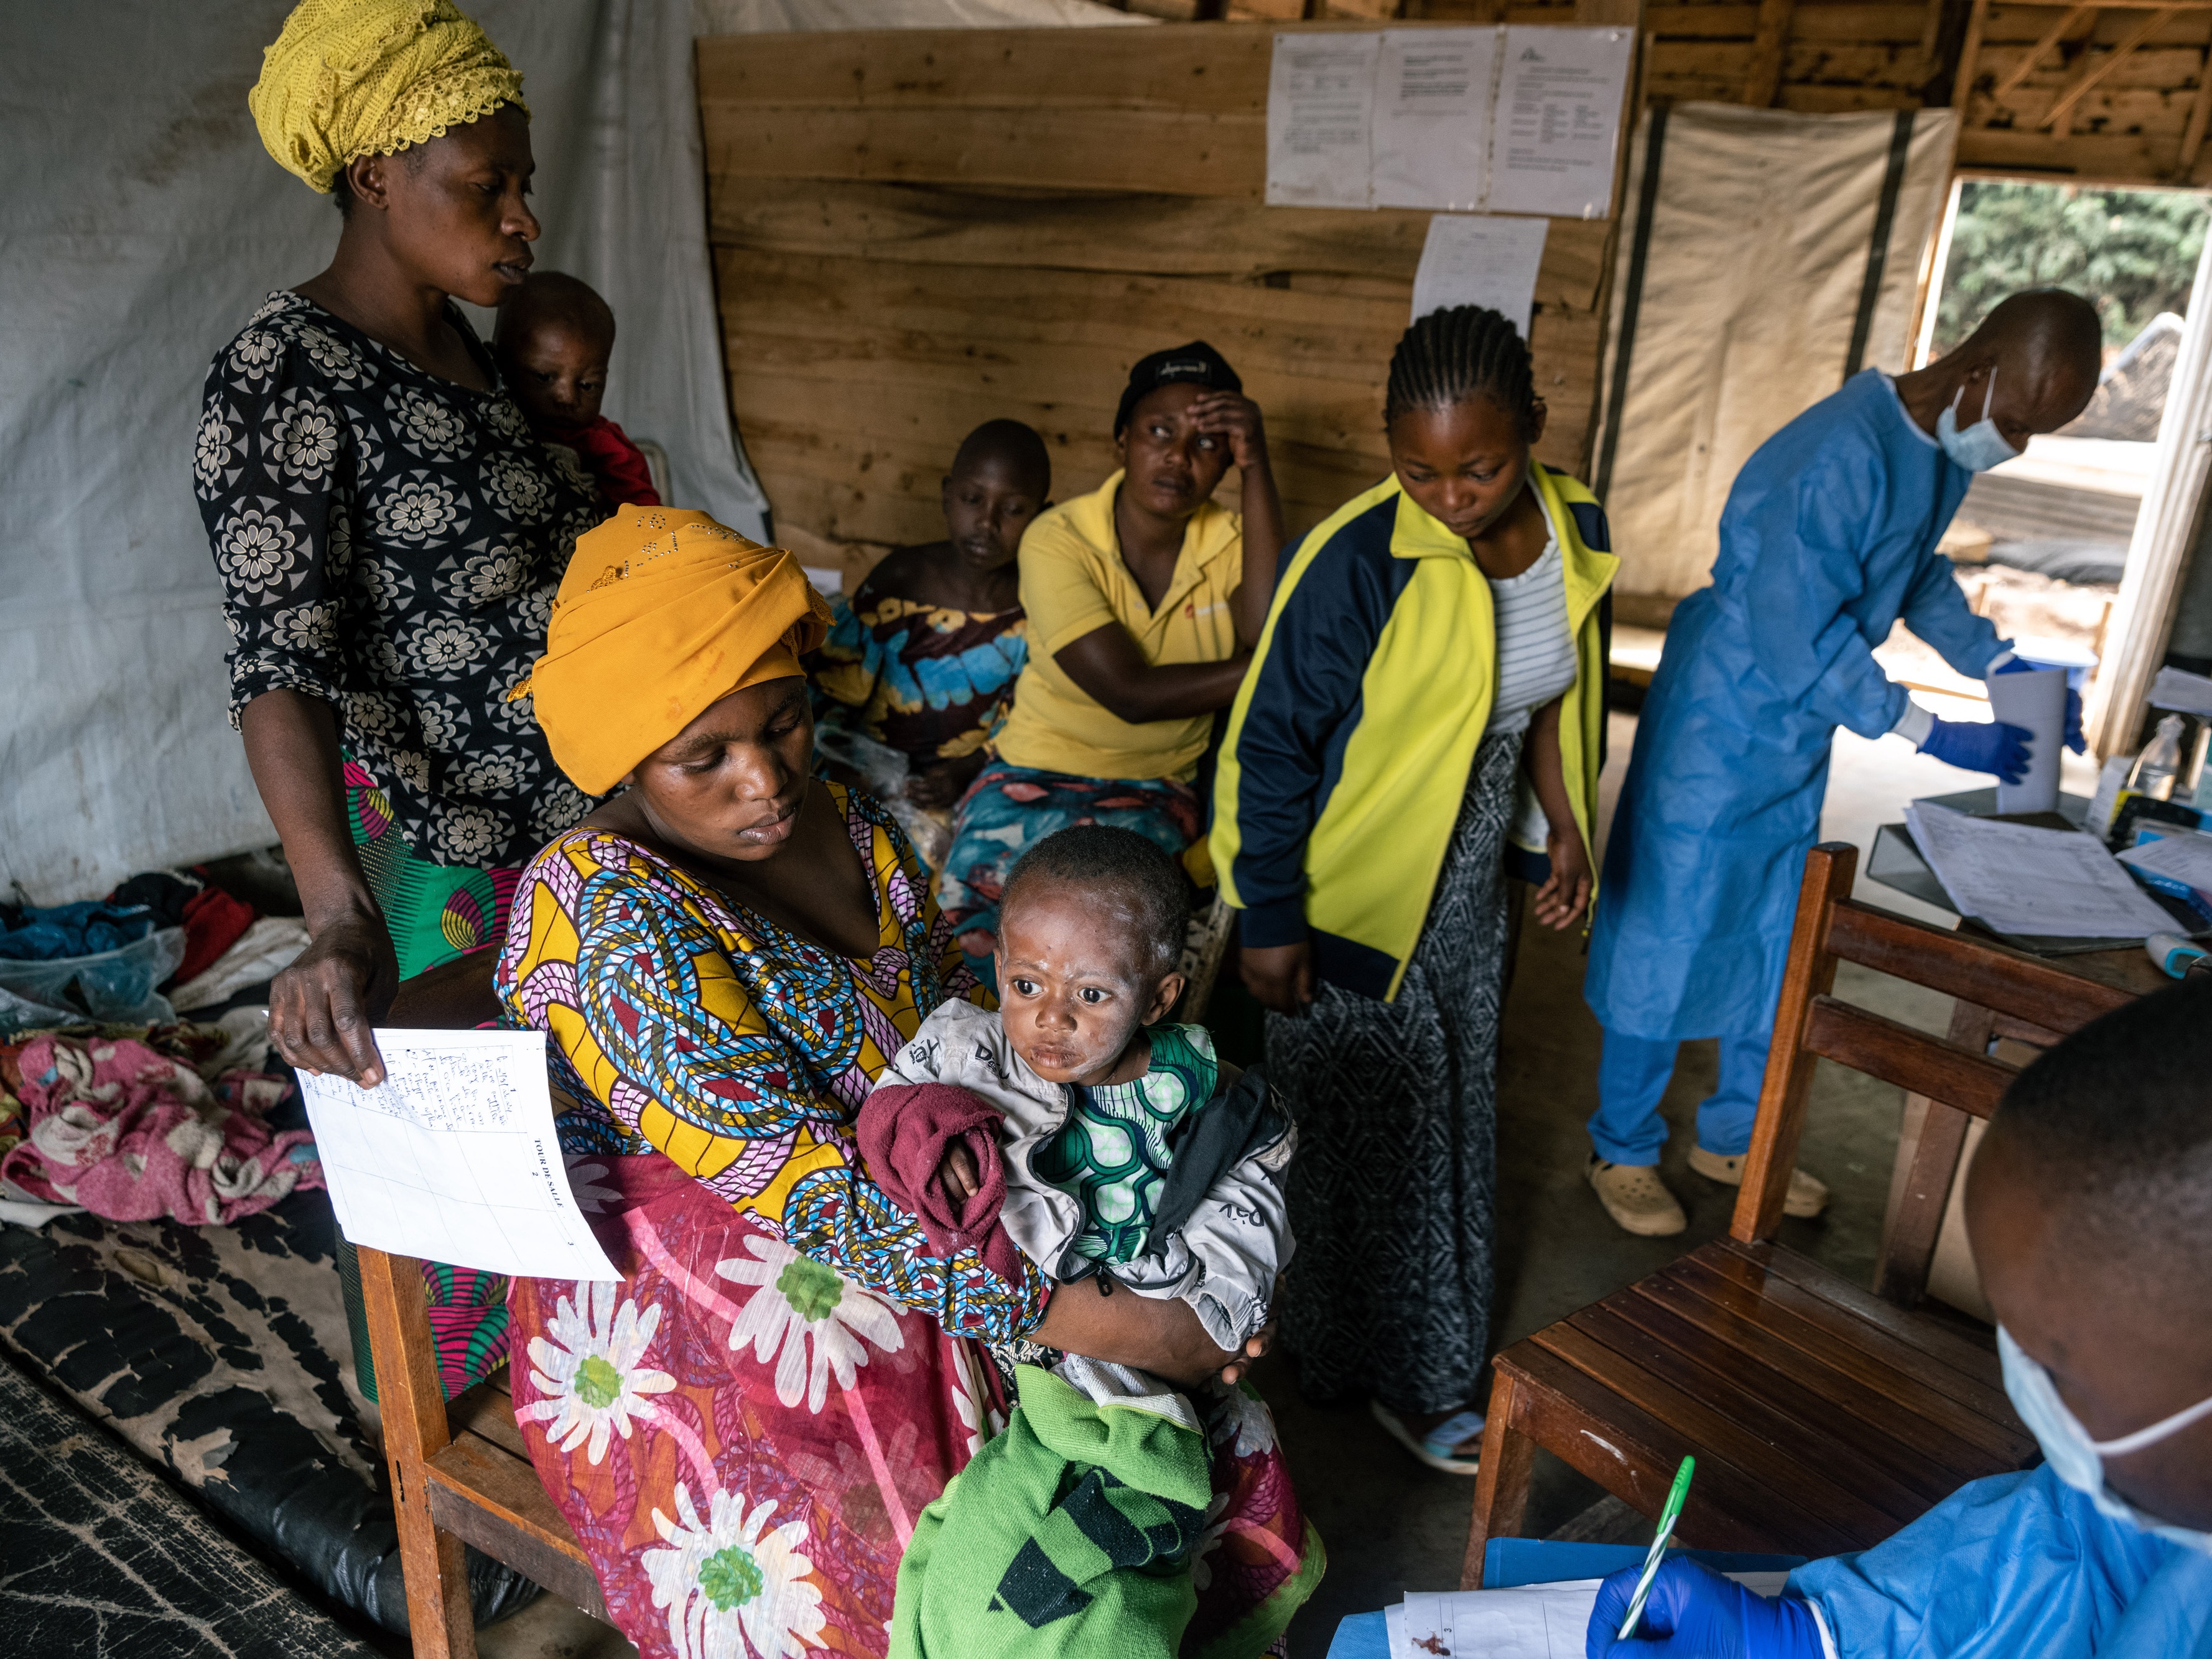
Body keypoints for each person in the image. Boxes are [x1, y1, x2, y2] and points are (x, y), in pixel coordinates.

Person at [495, 506, 1305, 1657]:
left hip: (930, 1194)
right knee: (958, 1533)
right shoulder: (600, 907)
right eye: (703, 759)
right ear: (629, 764)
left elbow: (958, 1033)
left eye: (781, 724)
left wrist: (1158, 1251)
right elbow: (811, 1195)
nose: (765, 780)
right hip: (719, 1290)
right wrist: (1117, 1321)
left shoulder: (850, 817)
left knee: (1176, 1310)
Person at [1579, 290, 2102, 1239]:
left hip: (1792, 727)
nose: (2016, 446)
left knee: (1775, 925)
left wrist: (1996, 661)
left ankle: (1733, 1133)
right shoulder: (1837, 454)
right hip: (1726, 712)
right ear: (1977, 372)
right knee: (1672, 923)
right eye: (2019, 423)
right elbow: (1796, 634)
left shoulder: (1940, 449)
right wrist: (1932, 733)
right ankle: (1621, 1142)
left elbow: (1914, 575)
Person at [1210, 305, 1617, 1474]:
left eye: (1479, 466)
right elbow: (1271, 747)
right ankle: (1415, 1380)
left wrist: (1564, 830)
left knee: (1446, 1121)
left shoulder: (1571, 520)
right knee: (1362, 1141)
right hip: (1351, 894)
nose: (1448, 494)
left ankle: (1378, 1361)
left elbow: (1542, 694)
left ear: (1533, 431)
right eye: (1417, 467)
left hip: (1471, 878)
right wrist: (1272, 917)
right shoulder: (1358, 559)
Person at [203, 0, 602, 1092]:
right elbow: (279, 661)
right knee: (483, 1185)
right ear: (376, 177)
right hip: (447, 864)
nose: (523, 218)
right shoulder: (286, 374)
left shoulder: (472, 350)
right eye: (488, 187)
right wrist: (337, 915)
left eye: (525, 185)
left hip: (585, 826)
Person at [1584, 975, 2212, 1657]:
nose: (2024, 1390)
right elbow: (2081, 1549)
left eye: (2059, 1372)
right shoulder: (2171, 1490)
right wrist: (1826, 1634)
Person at [864, 825, 1293, 1360]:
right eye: (1026, 985)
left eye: (1091, 994)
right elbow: (890, 1113)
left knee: (1163, 1436)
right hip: (1023, 1318)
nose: (1052, 1015)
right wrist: (934, 1137)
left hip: (1141, 1307)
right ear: (999, 969)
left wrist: (1245, 1283)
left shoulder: (1187, 1071)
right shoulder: (964, 1049)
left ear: (1158, 1001)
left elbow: (1252, 1132)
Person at [936, 342, 1285, 980]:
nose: (1177, 458)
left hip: (1151, 792)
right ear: (1121, 438)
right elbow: (1129, 692)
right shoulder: (1059, 539)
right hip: (1030, 771)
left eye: (1208, 445)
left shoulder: (1234, 543)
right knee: (973, 953)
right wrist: (1279, 667)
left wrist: (1257, 465)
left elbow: (1264, 626)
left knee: (1105, 962)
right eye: (1158, 432)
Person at [809, 421, 1046, 863]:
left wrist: (968, 767)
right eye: (972, 499)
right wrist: (847, 765)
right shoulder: (900, 580)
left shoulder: (1036, 605)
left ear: (1042, 514)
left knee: (967, 860)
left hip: (962, 777)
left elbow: (1027, 711)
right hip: (860, 763)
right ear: (946, 495)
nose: (987, 523)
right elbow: (832, 689)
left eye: (1013, 509)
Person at [493, 269, 662, 508]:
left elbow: (646, 516)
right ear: (498, 361)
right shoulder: (488, 418)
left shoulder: (601, 443)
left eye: (588, 385)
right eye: (543, 377)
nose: (567, 397)